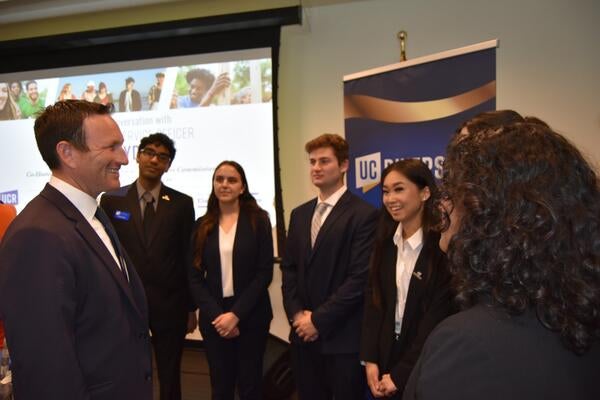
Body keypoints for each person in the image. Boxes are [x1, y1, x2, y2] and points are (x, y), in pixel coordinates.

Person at [403, 111, 600, 399]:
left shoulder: (466, 345)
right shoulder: (580, 316)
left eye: (452, 189)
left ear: (490, 211)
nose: (442, 204)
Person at [0, 100, 153, 399]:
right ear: (67, 153)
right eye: (111, 147)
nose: (123, 158)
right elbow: (46, 367)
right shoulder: (37, 235)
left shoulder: (93, 214)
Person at [281, 133, 378, 400]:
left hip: (342, 340)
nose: (316, 168)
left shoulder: (364, 215)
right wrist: (298, 315)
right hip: (302, 338)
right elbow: (289, 269)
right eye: (312, 162)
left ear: (344, 165)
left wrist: (318, 320)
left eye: (324, 161)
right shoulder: (299, 214)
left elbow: (359, 279)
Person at [100, 133, 196, 400]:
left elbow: (188, 256)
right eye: (149, 152)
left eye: (162, 156)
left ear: (168, 165)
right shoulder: (112, 200)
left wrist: (191, 307)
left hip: (171, 305)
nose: (154, 159)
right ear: (138, 156)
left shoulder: (182, 203)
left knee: (170, 375)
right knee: (126, 371)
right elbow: (107, 253)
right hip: (126, 303)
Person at [361, 160, 452, 398]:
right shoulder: (384, 242)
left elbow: (436, 318)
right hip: (385, 359)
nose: (390, 198)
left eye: (399, 189)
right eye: (385, 191)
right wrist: (370, 358)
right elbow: (374, 300)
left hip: (425, 364)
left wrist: (402, 373)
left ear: (424, 193)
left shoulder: (441, 248)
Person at [189, 161, 273, 400]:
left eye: (231, 180)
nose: (224, 184)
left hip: (251, 316)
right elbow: (194, 277)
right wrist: (218, 316)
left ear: (242, 188)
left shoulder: (259, 221)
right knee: (220, 387)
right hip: (214, 319)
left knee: (250, 386)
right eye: (219, 179)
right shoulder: (201, 226)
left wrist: (235, 315)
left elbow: (264, 273)